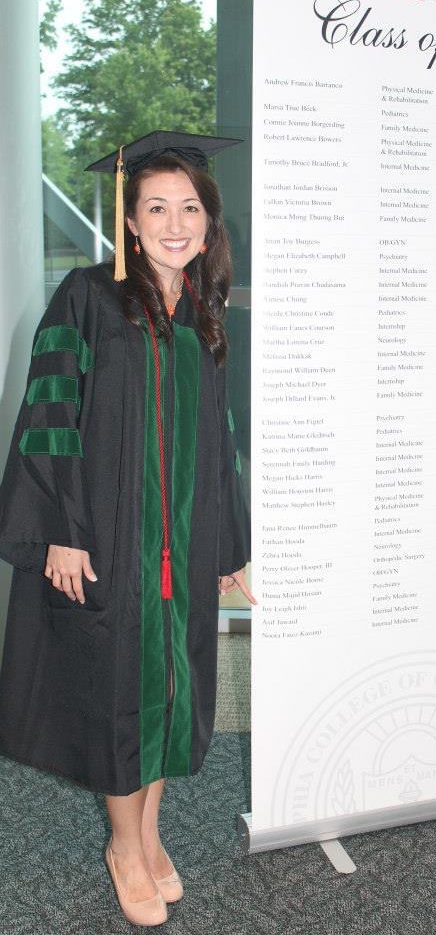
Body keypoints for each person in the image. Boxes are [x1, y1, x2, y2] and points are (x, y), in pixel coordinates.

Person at [0, 131, 255, 926]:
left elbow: (220, 441)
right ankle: (123, 846)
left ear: (208, 226)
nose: (174, 222)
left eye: (189, 208)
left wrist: (228, 548)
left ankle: (149, 832)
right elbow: (48, 415)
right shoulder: (86, 296)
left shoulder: (206, 317)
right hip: (110, 540)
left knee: (172, 695)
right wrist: (60, 531)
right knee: (120, 697)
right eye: (156, 207)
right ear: (130, 221)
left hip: (183, 544)